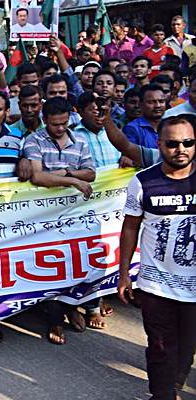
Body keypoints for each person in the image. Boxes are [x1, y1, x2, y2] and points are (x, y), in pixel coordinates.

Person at [117, 114, 196, 400]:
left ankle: (173, 387)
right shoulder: (142, 182)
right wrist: (124, 274)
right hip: (156, 285)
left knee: (187, 346)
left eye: (188, 142)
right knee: (160, 346)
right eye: (172, 144)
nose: (181, 150)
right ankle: (162, 394)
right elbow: (130, 228)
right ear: (159, 144)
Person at [23, 97, 96, 345]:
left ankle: (72, 306)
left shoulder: (80, 141)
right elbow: (38, 176)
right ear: (45, 121)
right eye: (55, 124)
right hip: (42, 218)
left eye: (64, 123)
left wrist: (64, 173)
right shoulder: (34, 140)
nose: (60, 128)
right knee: (50, 266)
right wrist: (73, 180)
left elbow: (91, 173)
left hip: (74, 216)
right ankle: (55, 319)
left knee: (74, 263)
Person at [74, 91, 123, 167]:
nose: (100, 115)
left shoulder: (115, 132)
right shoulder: (74, 136)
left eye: (103, 110)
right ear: (81, 112)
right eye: (95, 111)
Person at [123, 84, 167, 148]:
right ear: (140, 104)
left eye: (161, 101)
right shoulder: (132, 129)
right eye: (151, 102)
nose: (158, 105)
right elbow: (131, 152)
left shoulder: (169, 125)